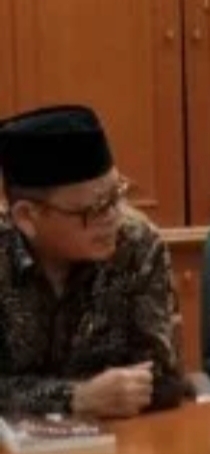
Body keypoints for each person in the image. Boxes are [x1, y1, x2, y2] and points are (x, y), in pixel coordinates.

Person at [0, 105, 184, 418]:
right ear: (27, 217)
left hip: (119, 436)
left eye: (117, 195)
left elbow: (162, 379)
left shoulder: (137, 245)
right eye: (95, 209)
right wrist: (76, 398)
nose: (114, 217)